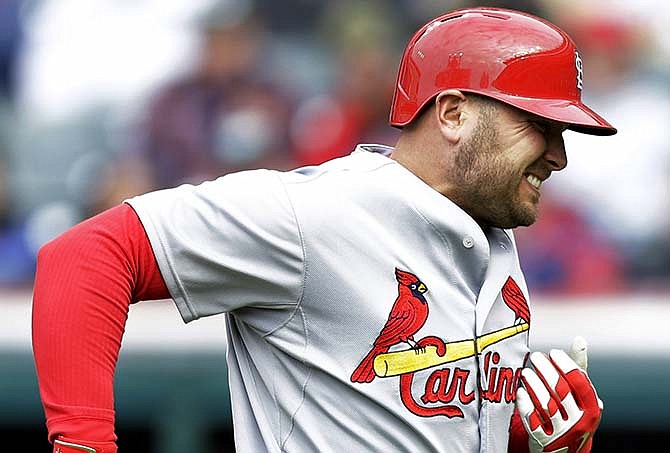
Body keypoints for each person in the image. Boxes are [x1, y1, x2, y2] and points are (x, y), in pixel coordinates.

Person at [32, 7, 614, 453]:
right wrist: (84, 443)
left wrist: (526, 434)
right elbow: (85, 258)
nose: (559, 156)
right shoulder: (315, 213)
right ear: (454, 113)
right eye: (540, 125)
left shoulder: (495, 242)